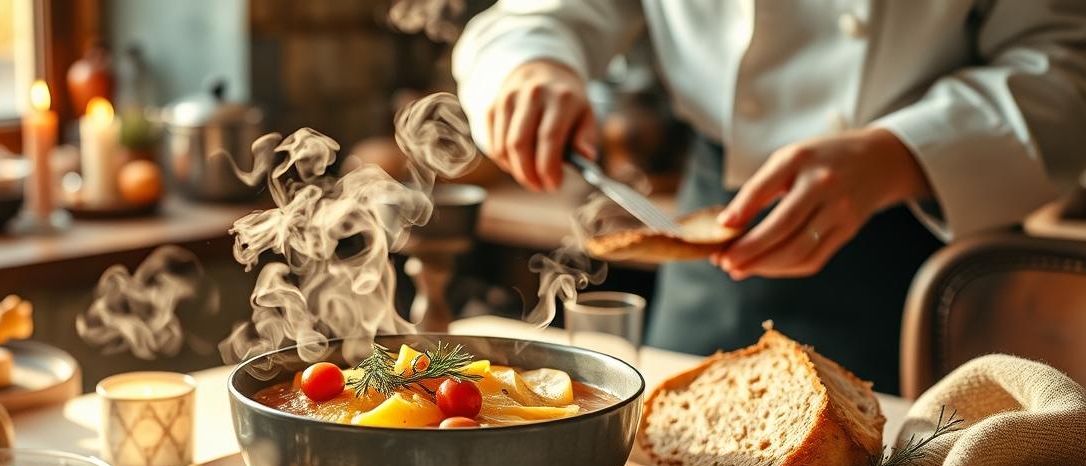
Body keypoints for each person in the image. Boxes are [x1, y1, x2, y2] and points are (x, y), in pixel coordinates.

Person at [453, 1, 1086, 393]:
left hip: (921, 247)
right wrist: (529, 64)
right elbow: (538, 16)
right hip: (709, 245)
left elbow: (1066, 66)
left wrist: (900, 155)